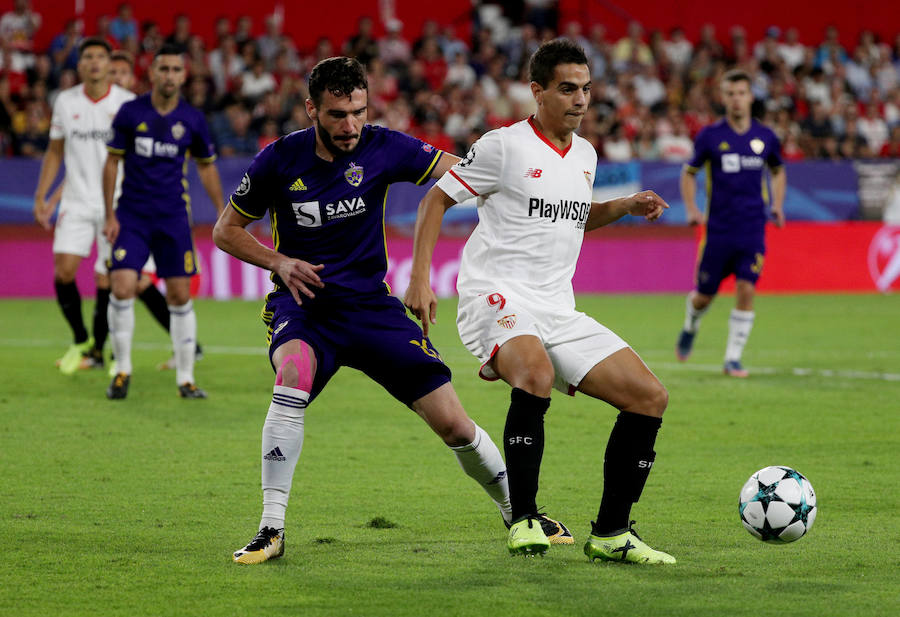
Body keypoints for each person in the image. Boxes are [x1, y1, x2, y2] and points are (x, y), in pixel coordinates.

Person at [214, 56, 568, 565]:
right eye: (337, 114)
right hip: (305, 307)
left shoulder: (383, 145)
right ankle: (271, 529)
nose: (351, 125)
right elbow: (225, 230)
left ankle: (520, 512)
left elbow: (463, 176)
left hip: (372, 309)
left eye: (359, 111)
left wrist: (532, 188)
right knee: (292, 375)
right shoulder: (278, 159)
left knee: (456, 426)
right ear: (312, 109)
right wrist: (280, 261)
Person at [404, 39, 675, 564]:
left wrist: (624, 205)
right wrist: (420, 278)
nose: (580, 99)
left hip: (557, 307)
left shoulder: (586, 155)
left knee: (649, 397)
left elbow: (574, 216)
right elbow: (437, 197)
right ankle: (524, 518)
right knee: (534, 372)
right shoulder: (503, 146)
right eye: (568, 88)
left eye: (587, 89)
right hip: (495, 295)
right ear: (537, 92)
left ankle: (613, 533)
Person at [103, 44, 225, 399]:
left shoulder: (192, 119)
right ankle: (121, 371)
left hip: (173, 217)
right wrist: (109, 214)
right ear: (152, 73)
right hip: (132, 215)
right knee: (122, 286)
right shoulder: (130, 113)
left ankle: (185, 379)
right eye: (163, 69)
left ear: (183, 75)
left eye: (175, 69)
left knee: (179, 295)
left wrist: (223, 212)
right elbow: (112, 162)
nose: (169, 75)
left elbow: (206, 166)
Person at [33, 37, 134, 375]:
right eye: (87, 56)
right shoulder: (65, 101)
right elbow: (56, 151)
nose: (94, 62)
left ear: (109, 64)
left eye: (100, 57)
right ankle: (80, 339)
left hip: (116, 204)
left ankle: (109, 353)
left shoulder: (127, 104)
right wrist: (43, 196)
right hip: (75, 201)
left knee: (111, 281)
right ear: (80, 65)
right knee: (63, 272)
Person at [676, 69, 786, 377]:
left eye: (741, 93)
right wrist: (692, 209)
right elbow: (689, 172)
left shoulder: (766, 137)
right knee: (703, 296)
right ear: (723, 98)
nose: (736, 99)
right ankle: (691, 324)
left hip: (752, 228)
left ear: (750, 96)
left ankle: (732, 359)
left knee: (746, 288)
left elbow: (777, 170)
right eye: (730, 94)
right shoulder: (711, 136)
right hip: (719, 231)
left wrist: (777, 205)